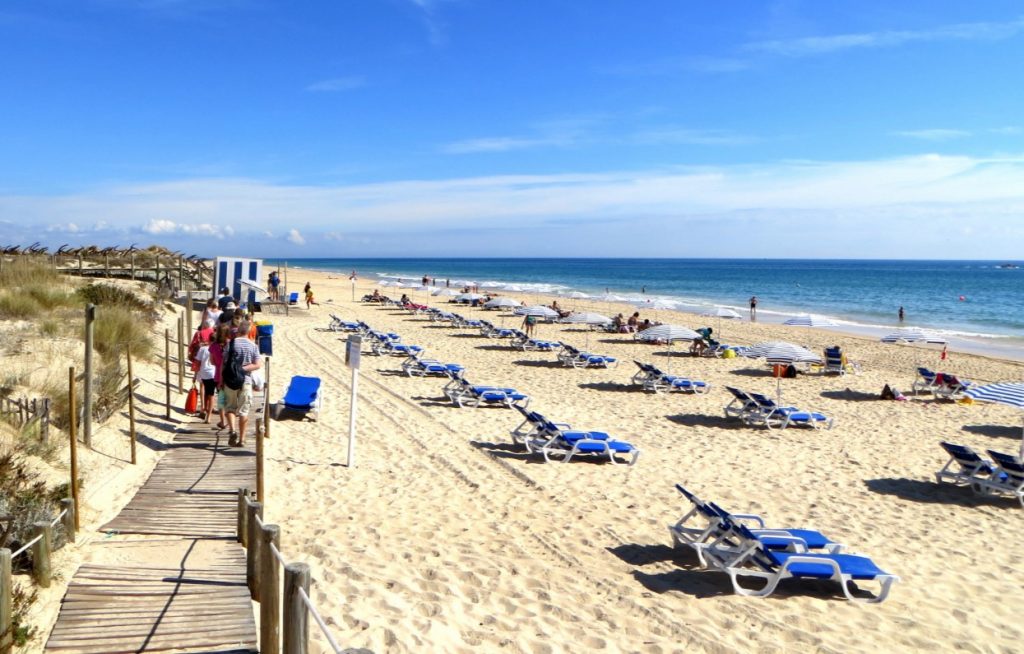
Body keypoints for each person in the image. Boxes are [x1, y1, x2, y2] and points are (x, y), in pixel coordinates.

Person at [221, 319, 262, 447]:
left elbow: (224, 363)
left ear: (238, 330)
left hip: (230, 380)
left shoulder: (230, 344)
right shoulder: (253, 346)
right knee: (244, 411)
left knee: (230, 407)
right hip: (246, 380)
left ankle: (233, 430)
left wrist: (222, 380)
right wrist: (243, 369)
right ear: (249, 331)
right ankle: (242, 439)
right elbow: (258, 364)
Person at [193, 334, 217, 423]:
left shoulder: (202, 349)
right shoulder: (217, 349)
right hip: (213, 373)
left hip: (203, 374)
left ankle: (205, 410)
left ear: (209, 339)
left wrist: (195, 375)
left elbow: (197, 362)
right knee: (211, 395)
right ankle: (209, 416)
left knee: (207, 394)